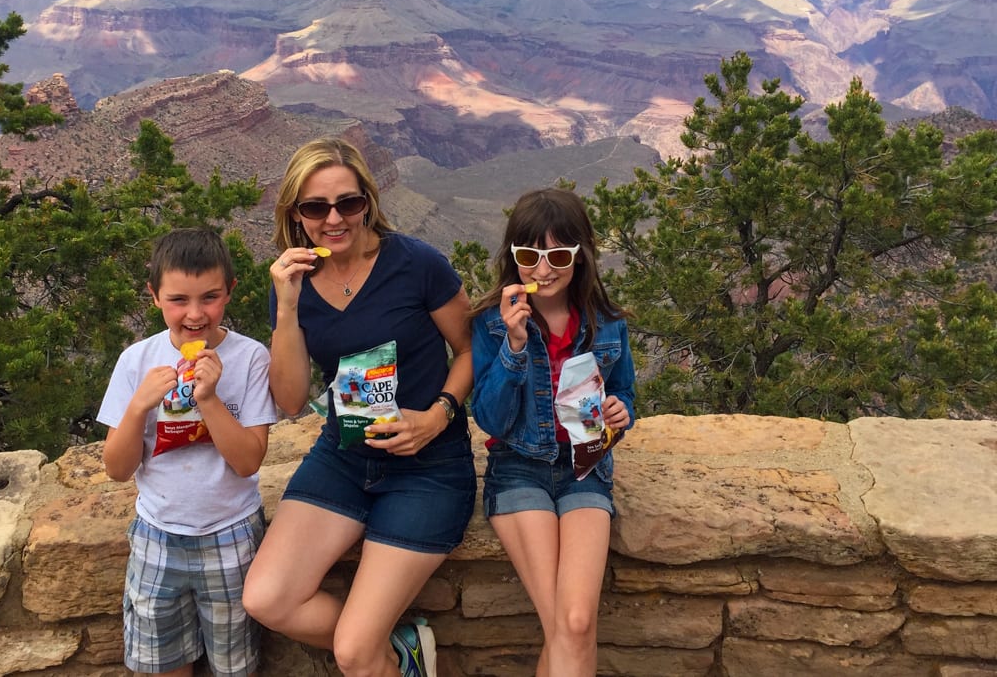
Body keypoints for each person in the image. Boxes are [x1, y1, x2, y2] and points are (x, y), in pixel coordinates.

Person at [242, 137, 475, 677]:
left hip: (428, 467)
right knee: (267, 599)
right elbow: (292, 398)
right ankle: (397, 642)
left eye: (348, 203)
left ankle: (372, 646)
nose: (334, 219)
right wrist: (287, 307)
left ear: (368, 200)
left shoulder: (416, 263)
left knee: (352, 653)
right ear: (295, 215)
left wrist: (438, 414)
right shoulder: (288, 285)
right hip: (345, 456)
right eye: (315, 207)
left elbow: (470, 348)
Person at [469, 188, 636, 677]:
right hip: (519, 470)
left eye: (558, 254)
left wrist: (618, 414)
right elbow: (492, 420)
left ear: (580, 255)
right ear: (513, 257)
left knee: (576, 621)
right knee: (566, 628)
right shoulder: (492, 325)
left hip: (585, 470)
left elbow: (624, 393)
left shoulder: (607, 324)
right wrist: (515, 348)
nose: (543, 270)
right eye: (529, 255)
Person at [98, 228, 277, 677]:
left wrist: (210, 399)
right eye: (178, 300)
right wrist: (140, 404)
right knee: (160, 664)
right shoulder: (137, 362)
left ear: (230, 293)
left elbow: (248, 461)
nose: (195, 315)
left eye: (210, 298)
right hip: (157, 534)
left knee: (233, 664)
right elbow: (117, 469)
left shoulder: (250, 358)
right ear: (154, 296)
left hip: (231, 533)